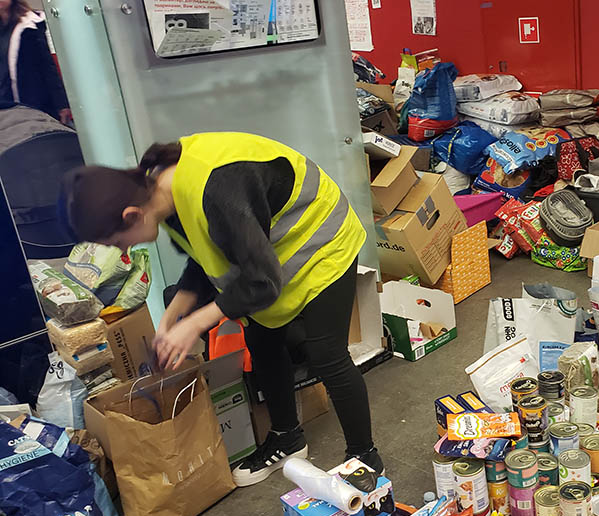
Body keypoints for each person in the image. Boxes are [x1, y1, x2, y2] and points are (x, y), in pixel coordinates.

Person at [59, 132, 382, 486]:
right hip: (273, 254)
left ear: (131, 215)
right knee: (262, 341)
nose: (124, 252)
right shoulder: (163, 196)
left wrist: (196, 323)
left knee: (326, 352)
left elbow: (261, 282)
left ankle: (364, 458)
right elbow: (206, 259)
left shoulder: (215, 190)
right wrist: (172, 318)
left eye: (118, 242)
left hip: (321, 239)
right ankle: (288, 438)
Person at [0, 0, 71, 123]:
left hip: (32, 99)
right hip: (6, 103)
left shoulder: (29, 24)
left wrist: (61, 103)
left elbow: (47, 66)